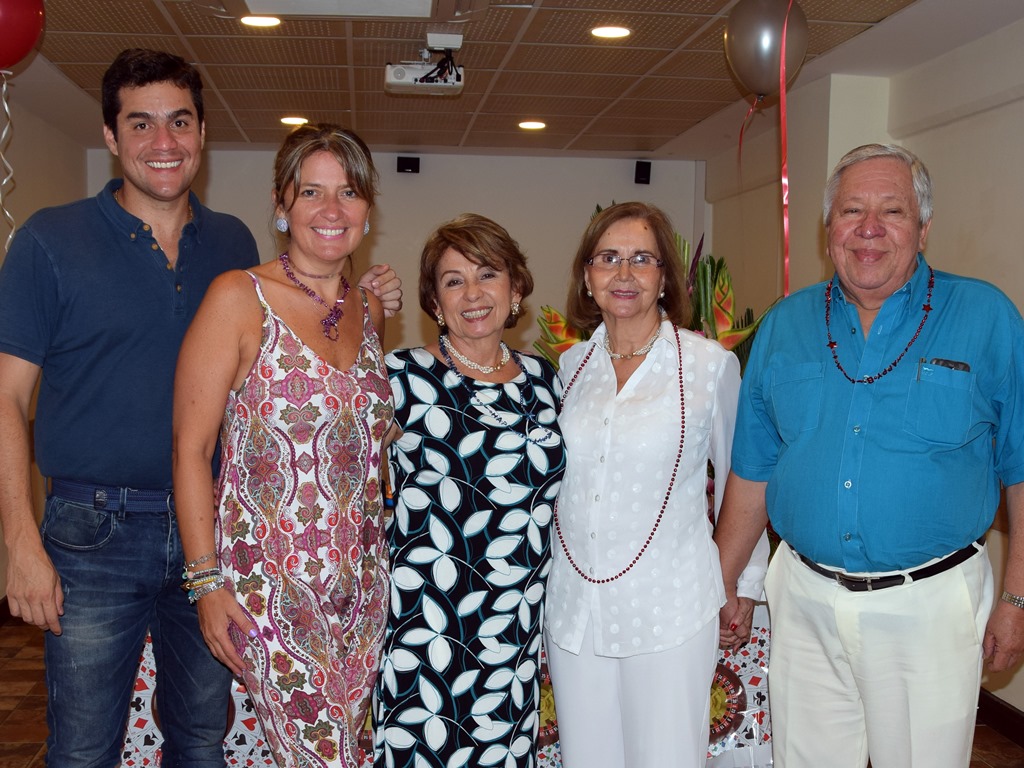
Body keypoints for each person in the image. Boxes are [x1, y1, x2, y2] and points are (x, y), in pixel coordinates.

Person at [0, 50, 399, 767]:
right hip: (95, 532)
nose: (164, 142)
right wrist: (19, 543)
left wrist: (362, 302)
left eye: (179, 121)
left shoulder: (230, 244)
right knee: (85, 748)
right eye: (142, 123)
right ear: (112, 135)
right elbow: (6, 397)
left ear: (203, 133)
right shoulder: (49, 242)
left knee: (202, 743)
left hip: (215, 536)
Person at [713, 143, 1024, 768]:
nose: (870, 229)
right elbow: (753, 471)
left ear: (924, 227)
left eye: (893, 211)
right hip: (802, 601)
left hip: (928, 606)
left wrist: (1016, 599)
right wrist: (719, 586)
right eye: (852, 210)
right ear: (829, 229)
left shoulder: (986, 317)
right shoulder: (784, 326)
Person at [172, 123, 396, 768]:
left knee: (350, 753)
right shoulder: (238, 297)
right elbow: (191, 448)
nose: (331, 211)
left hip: (364, 585)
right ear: (281, 204)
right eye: (311, 193)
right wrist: (206, 584)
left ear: (367, 209)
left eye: (348, 193)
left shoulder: (367, 309)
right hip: (272, 589)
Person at [543, 202, 769, 768]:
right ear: (587, 277)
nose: (624, 274)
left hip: (670, 608)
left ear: (664, 276)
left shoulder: (709, 366)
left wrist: (742, 582)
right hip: (576, 610)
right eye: (609, 259)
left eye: (641, 259)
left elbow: (747, 476)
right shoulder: (569, 368)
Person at [373, 213, 566, 768]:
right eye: (453, 281)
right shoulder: (401, 378)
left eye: (488, 274)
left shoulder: (545, 381)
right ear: (434, 302)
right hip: (427, 627)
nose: (473, 293)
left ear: (516, 288)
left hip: (513, 628)